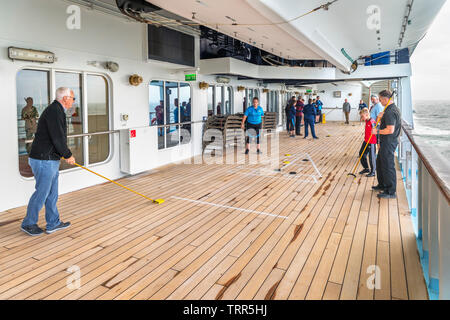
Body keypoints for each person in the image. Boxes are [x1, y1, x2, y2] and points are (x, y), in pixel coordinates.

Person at [21, 87, 75, 236]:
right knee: (42, 193)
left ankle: (53, 222)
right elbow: (57, 137)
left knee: (52, 193)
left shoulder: (57, 110)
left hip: (50, 159)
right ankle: (28, 223)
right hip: (44, 160)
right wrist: (68, 154)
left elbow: (57, 138)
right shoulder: (54, 111)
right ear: (65, 98)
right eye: (72, 98)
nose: (73, 101)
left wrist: (63, 154)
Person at [372, 90, 401, 199]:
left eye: (380, 99)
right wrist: (379, 118)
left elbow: (390, 130)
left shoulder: (390, 112)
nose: (379, 102)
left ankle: (390, 191)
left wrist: (377, 132)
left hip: (389, 142)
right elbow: (386, 125)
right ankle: (382, 185)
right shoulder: (388, 110)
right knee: (380, 164)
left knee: (388, 166)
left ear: (385, 99)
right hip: (384, 142)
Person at [358, 108, 377, 177]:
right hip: (366, 140)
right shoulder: (367, 120)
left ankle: (373, 171)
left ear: (367, 115)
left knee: (372, 157)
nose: (362, 118)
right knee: (361, 154)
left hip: (371, 142)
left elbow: (376, 131)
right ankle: (366, 168)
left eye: (362, 116)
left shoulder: (372, 122)